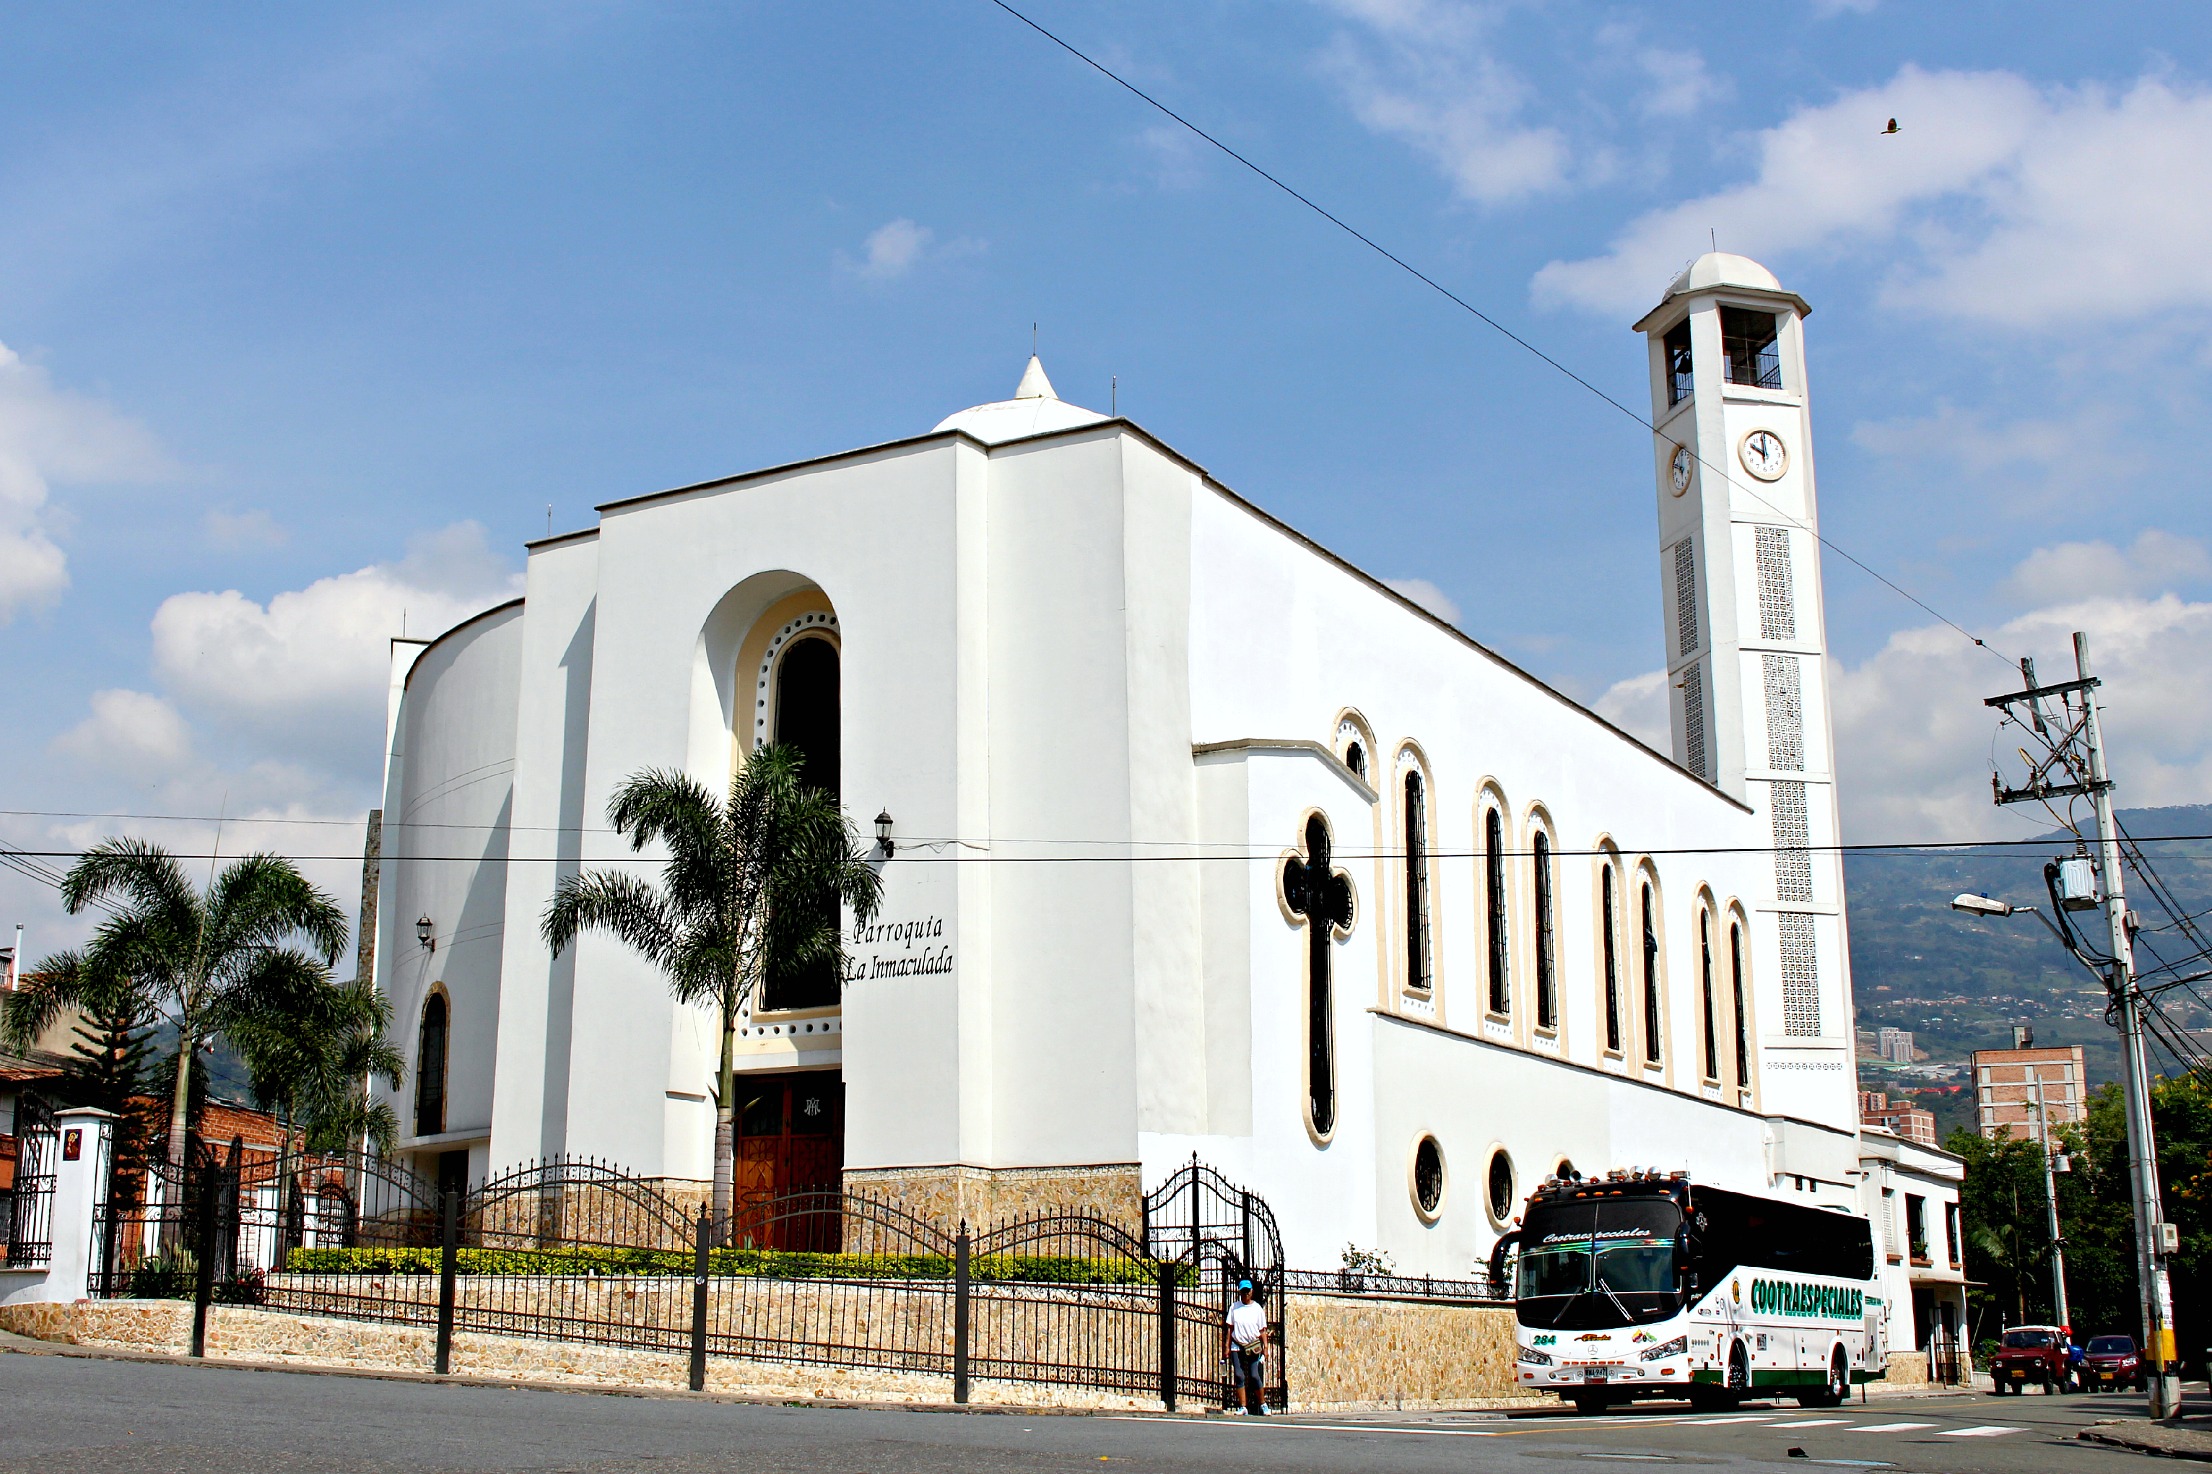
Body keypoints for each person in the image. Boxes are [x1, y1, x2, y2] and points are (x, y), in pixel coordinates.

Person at [1223, 1278, 1271, 1416]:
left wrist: (1265, 1348)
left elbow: (1262, 1331)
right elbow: (1230, 1329)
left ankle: (1263, 1404)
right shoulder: (1234, 1307)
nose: (1245, 1294)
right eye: (1243, 1291)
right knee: (1239, 1375)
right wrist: (1227, 1347)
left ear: (1251, 1292)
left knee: (1255, 1376)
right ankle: (1243, 1406)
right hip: (1237, 1346)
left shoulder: (1257, 1309)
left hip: (1253, 1346)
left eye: (1247, 1291)